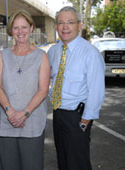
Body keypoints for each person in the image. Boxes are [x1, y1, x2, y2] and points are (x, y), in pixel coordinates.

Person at [48, 6, 105, 170]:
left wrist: (85, 121)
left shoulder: (90, 53)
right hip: (58, 113)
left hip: (77, 117)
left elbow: (96, 90)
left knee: (78, 163)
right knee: (63, 161)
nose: (65, 27)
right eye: (61, 23)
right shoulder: (53, 51)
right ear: (56, 27)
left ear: (79, 25)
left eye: (70, 22)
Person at [0, 9, 50, 170]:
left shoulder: (41, 56)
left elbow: (43, 90)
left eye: (24, 27)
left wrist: (24, 113)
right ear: (11, 30)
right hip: (6, 123)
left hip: (32, 123)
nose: (20, 32)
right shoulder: (2, 56)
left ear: (31, 28)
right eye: (16, 27)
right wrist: (10, 112)